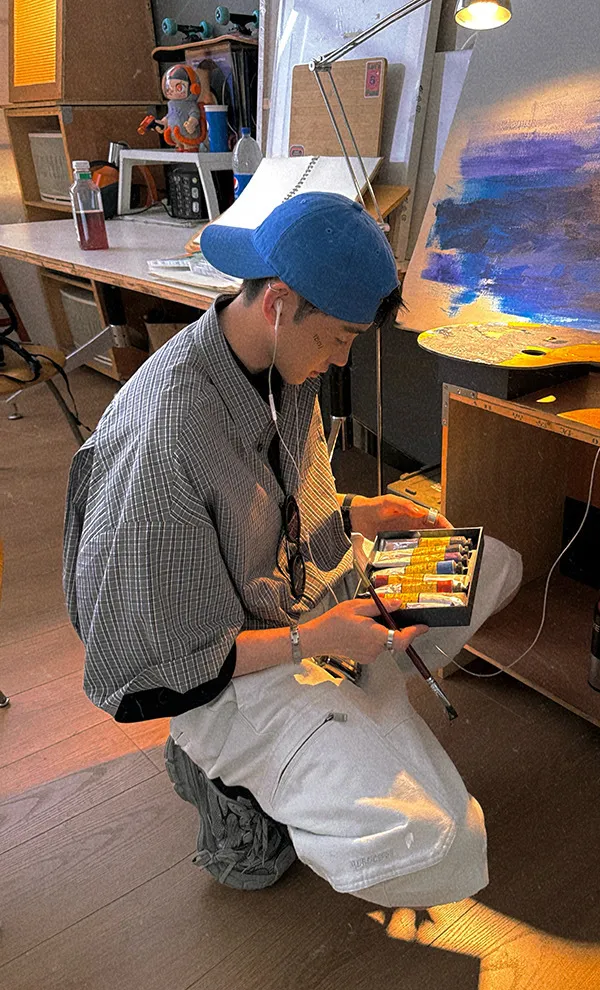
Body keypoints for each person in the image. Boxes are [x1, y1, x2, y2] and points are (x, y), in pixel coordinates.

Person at [63, 192, 522, 909]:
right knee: (442, 842)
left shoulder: (277, 362)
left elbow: (271, 511)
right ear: (279, 302)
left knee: (490, 564)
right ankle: (230, 776)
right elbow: (171, 658)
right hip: (230, 666)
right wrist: (316, 639)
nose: (341, 357)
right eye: (338, 337)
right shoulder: (165, 438)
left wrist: (360, 513)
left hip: (301, 603)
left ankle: (359, 702)